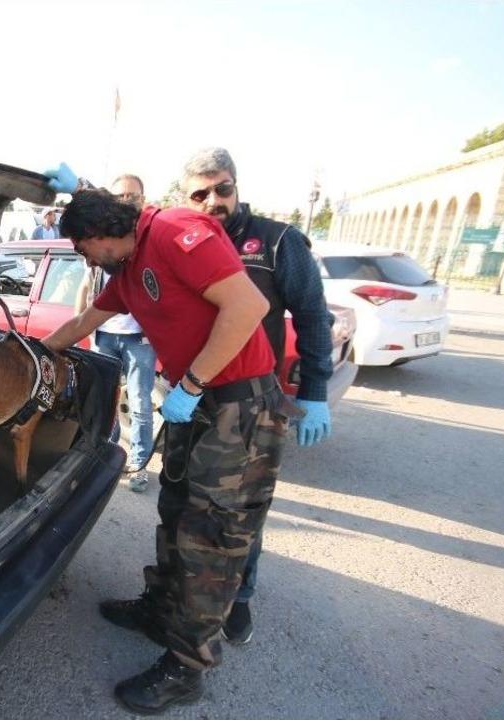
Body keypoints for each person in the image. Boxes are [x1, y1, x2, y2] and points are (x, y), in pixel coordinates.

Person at [40, 178, 286, 713]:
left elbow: (246, 306)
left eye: (82, 249)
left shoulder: (174, 231)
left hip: (236, 407)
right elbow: (87, 319)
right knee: (176, 513)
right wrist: (35, 350)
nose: (84, 259)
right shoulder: (126, 270)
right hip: (197, 402)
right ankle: (160, 610)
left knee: (212, 537)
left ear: (100, 234)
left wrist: (193, 384)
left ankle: (186, 666)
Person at [180, 147, 334, 645]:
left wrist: (314, 391)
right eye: (200, 193)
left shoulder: (274, 242)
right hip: (193, 394)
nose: (212, 201)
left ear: (237, 186)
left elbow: (313, 317)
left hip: (251, 402)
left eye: (222, 188)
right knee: (190, 504)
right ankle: (183, 596)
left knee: (242, 511)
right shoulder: (182, 239)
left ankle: (238, 600)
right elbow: (123, 218)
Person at [74, 174, 157, 492]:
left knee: (139, 404)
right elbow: (85, 288)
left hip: (139, 339)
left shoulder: (145, 241)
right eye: (120, 195)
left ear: (143, 198)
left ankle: (138, 465)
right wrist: (83, 331)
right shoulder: (100, 240)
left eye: (133, 196)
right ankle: (103, 458)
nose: (127, 201)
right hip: (104, 334)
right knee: (103, 401)